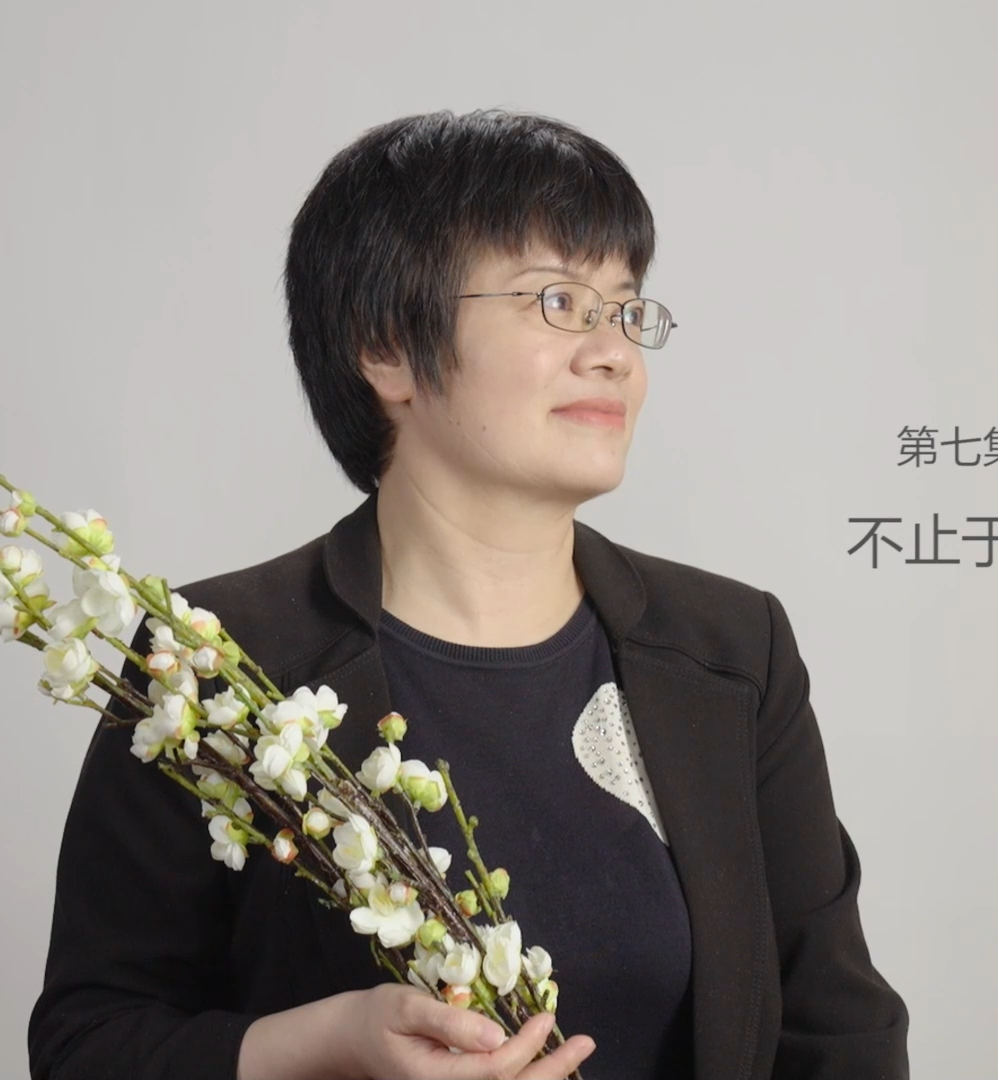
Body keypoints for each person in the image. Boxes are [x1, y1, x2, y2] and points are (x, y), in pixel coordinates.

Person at [29, 110, 909, 1080]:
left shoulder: (733, 650)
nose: (615, 352)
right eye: (558, 302)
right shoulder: (212, 662)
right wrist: (327, 1044)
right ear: (387, 348)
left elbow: (839, 1033)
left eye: (626, 309)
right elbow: (86, 1045)